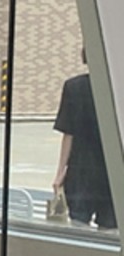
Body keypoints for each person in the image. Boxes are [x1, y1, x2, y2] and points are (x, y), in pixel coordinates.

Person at [53, 50, 117, 231]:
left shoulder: (73, 87)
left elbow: (68, 133)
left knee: (78, 226)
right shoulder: (117, 87)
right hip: (111, 170)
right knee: (110, 229)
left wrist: (60, 172)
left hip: (80, 171)